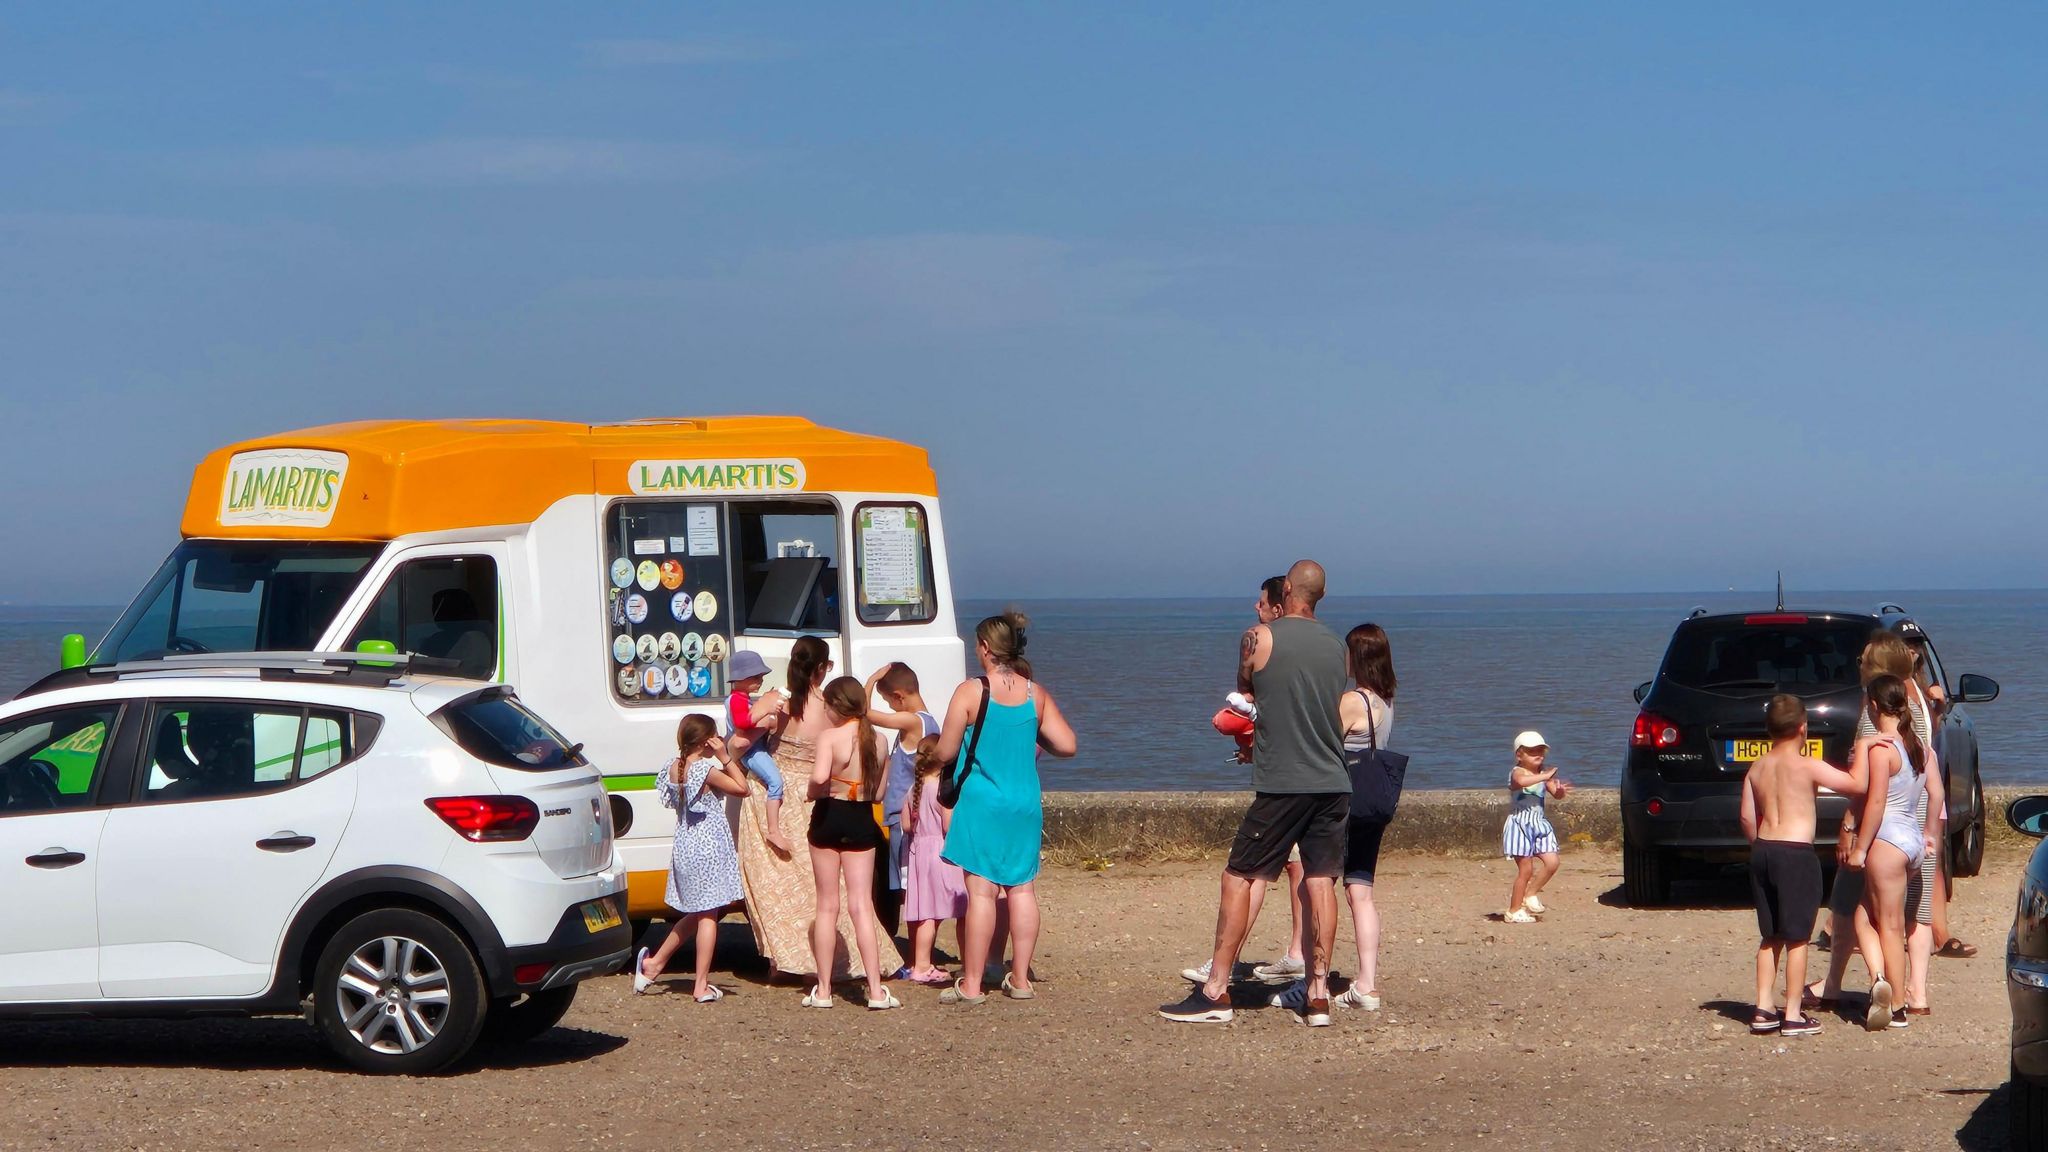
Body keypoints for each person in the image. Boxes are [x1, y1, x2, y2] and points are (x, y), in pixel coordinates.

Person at [1160, 559, 1349, 1026]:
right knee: (1320, 880)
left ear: (1286, 589)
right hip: (1332, 779)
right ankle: (1319, 994)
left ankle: (1216, 990)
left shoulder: (1258, 636)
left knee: (1239, 876)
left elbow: (1247, 690)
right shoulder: (1338, 646)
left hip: (1285, 780)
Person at [735, 636, 902, 983]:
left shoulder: (781, 703)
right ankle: (851, 962)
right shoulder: (830, 708)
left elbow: (740, 742)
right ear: (822, 668)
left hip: (777, 795)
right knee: (835, 889)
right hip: (822, 796)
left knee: (777, 884)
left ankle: (786, 959)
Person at [931, 610, 1078, 1006]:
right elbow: (1067, 745)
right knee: (1022, 889)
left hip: (982, 801)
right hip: (1024, 801)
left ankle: (974, 984)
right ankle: (1021, 979)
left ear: (984, 648)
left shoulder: (971, 691)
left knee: (981, 893)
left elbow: (945, 750)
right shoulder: (1035, 693)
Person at [1182, 575, 1308, 988]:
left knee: (1247, 873)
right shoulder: (1315, 650)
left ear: (1279, 604)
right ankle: (1298, 954)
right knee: (1298, 867)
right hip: (1311, 774)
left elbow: (1251, 697)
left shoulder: (1264, 646)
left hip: (1285, 780)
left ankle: (1224, 967)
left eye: (1261, 603)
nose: (1256, 608)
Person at [1808, 631, 1939, 1014]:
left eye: (1864, 658)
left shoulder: (1875, 716)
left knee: (1852, 906)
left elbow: (1869, 790)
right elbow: (1936, 784)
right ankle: (1915, 993)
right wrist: (1932, 831)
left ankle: (1865, 983)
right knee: (1913, 913)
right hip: (1916, 829)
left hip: (1883, 832)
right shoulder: (1917, 703)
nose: (1859, 663)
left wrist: (1850, 828)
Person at [1739, 695, 1863, 1037]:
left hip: (1764, 849)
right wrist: (1864, 751)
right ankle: (1793, 1013)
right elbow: (1855, 784)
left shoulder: (1758, 767)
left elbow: (1747, 816)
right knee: (1797, 938)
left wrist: (1758, 845)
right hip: (1795, 852)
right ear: (1802, 728)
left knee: (1770, 936)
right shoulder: (1807, 763)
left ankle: (1763, 1007)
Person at [634, 715, 750, 1002]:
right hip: (707, 848)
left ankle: (654, 964)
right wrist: (726, 758)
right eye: (714, 737)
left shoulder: (671, 768)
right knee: (709, 916)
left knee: (698, 913)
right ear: (704, 741)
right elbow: (742, 788)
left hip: (686, 846)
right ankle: (700, 985)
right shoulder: (705, 770)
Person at [802, 676, 901, 1010]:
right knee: (861, 906)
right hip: (861, 819)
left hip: (829, 816)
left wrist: (815, 791)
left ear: (835, 706)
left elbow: (818, 778)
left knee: (827, 906)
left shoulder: (829, 737)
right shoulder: (880, 739)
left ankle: (825, 990)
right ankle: (875, 990)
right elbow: (880, 793)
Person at [1848, 673, 1935, 1032]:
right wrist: (1930, 834)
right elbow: (1937, 795)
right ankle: (1879, 979)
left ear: (1872, 705)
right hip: (1912, 840)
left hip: (1887, 841)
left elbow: (1877, 803)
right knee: (1865, 915)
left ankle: (1896, 1003)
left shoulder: (1883, 752)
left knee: (1889, 925)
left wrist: (1859, 847)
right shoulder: (1918, 746)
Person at [1333, 623, 1396, 1011]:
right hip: (1375, 804)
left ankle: (1313, 980)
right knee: (1362, 891)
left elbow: (1323, 745)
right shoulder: (1388, 700)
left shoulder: (1353, 700)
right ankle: (1367, 983)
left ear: (1356, 656)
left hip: (1346, 803)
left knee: (1317, 885)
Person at [866, 661, 941, 939]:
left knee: (907, 887)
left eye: (889, 701)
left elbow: (863, 713)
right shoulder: (929, 721)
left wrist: (872, 679)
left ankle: (915, 953)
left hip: (903, 815)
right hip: (908, 813)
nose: (890, 707)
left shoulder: (913, 721)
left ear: (899, 696)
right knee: (908, 884)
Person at [901, 735, 967, 985]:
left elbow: (906, 824)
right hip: (943, 853)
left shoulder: (913, 789)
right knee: (964, 910)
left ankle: (920, 964)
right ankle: (967, 962)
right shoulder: (943, 789)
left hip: (919, 853)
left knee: (927, 912)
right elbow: (949, 826)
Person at [1502, 732, 1571, 923]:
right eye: (1532, 751)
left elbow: (1555, 794)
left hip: (1539, 823)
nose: (1538, 754)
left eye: (1540, 750)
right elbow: (1520, 783)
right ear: (1519, 755)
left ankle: (1530, 894)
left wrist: (1560, 790)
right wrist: (1544, 776)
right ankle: (1514, 910)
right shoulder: (1518, 772)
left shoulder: (1542, 773)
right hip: (1520, 823)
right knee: (1526, 870)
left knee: (1552, 862)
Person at [725, 650, 790, 855]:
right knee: (775, 782)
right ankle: (773, 830)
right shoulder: (736, 700)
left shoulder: (742, 699)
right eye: (756, 677)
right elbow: (742, 723)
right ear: (741, 678)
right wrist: (765, 709)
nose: (760, 681)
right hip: (751, 751)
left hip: (754, 748)